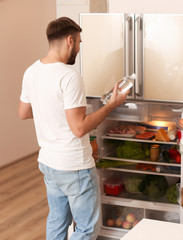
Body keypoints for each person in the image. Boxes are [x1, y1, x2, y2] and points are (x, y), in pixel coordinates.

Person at [18, 17, 129, 240]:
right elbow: (79, 128)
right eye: (79, 42)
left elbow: (24, 112)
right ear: (70, 40)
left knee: (58, 221)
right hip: (74, 166)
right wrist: (111, 105)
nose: (78, 47)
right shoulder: (69, 76)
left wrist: (53, 112)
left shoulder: (32, 71)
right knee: (87, 228)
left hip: (49, 163)